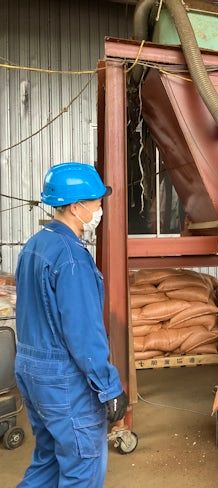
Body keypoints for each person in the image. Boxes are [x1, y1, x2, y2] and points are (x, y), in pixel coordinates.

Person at [14, 162, 127, 488]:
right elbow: (83, 333)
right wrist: (108, 387)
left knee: (48, 462)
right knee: (82, 470)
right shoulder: (72, 257)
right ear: (76, 207)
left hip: (32, 370)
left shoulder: (35, 245)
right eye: (97, 202)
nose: (100, 210)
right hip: (64, 380)